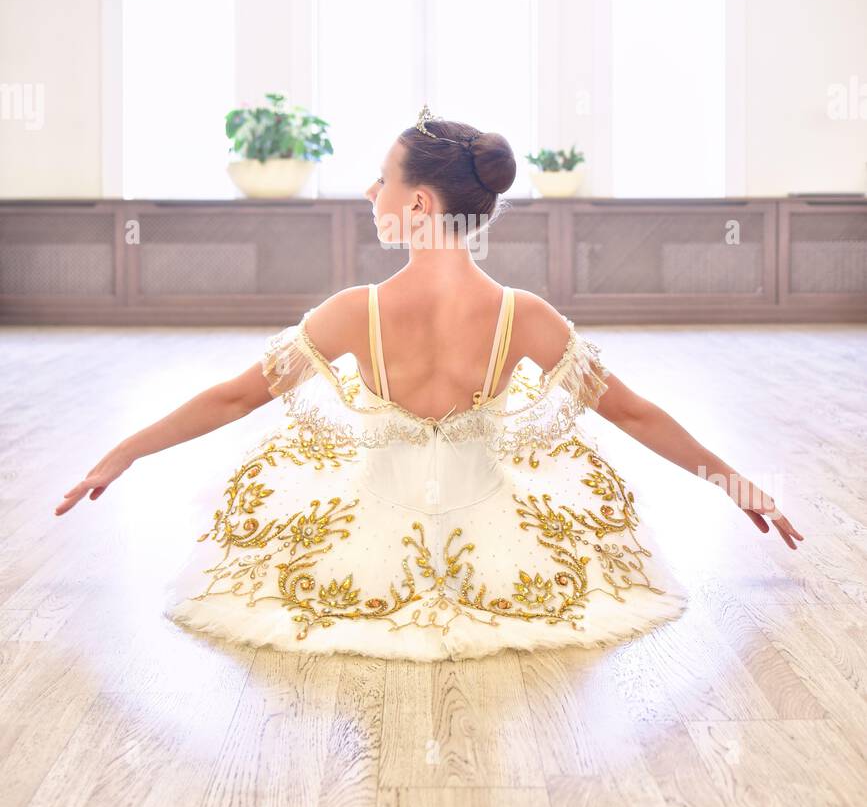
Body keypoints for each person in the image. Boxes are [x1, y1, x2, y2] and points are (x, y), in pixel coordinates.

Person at [55, 106, 803, 661]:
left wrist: (124, 451)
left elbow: (233, 397)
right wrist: (735, 483)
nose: (369, 189)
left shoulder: (354, 313)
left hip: (369, 539)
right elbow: (634, 415)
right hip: (499, 544)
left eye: (382, 178)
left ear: (417, 203)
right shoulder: (525, 316)